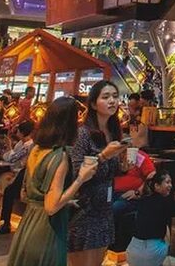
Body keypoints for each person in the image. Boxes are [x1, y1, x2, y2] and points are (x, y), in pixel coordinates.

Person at [6, 97, 99, 266]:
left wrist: (66, 201)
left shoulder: (35, 149)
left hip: (27, 226)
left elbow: (24, 194)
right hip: (48, 231)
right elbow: (51, 207)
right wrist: (80, 179)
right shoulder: (60, 156)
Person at [68, 80, 127, 266]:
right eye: (106, 97)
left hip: (105, 210)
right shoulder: (82, 133)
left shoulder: (113, 132)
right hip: (84, 209)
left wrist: (123, 167)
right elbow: (77, 173)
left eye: (115, 97)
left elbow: (109, 172)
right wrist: (102, 156)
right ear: (93, 104)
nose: (112, 101)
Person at [107, 124, 157, 257]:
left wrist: (137, 192)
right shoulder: (113, 157)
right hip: (111, 192)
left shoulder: (138, 156)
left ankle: (113, 245)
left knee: (115, 208)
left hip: (131, 196)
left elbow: (152, 175)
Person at [0, 120, 36, 235]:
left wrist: (9, 146)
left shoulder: (28, 145)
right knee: (3, 178)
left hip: (23, 174)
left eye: (18, 131)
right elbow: (10, 157)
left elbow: (12, 158)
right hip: (16, 172)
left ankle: (4, 221)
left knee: (7, 187)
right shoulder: (22, 144)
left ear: (22, 132)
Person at [126, 170, 175, 266]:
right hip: (153, 252)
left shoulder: (143, 200)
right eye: (167, 182)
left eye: (171, 182)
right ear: (156, 186)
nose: (170, 185)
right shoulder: (167, 202)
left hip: (132, 251)